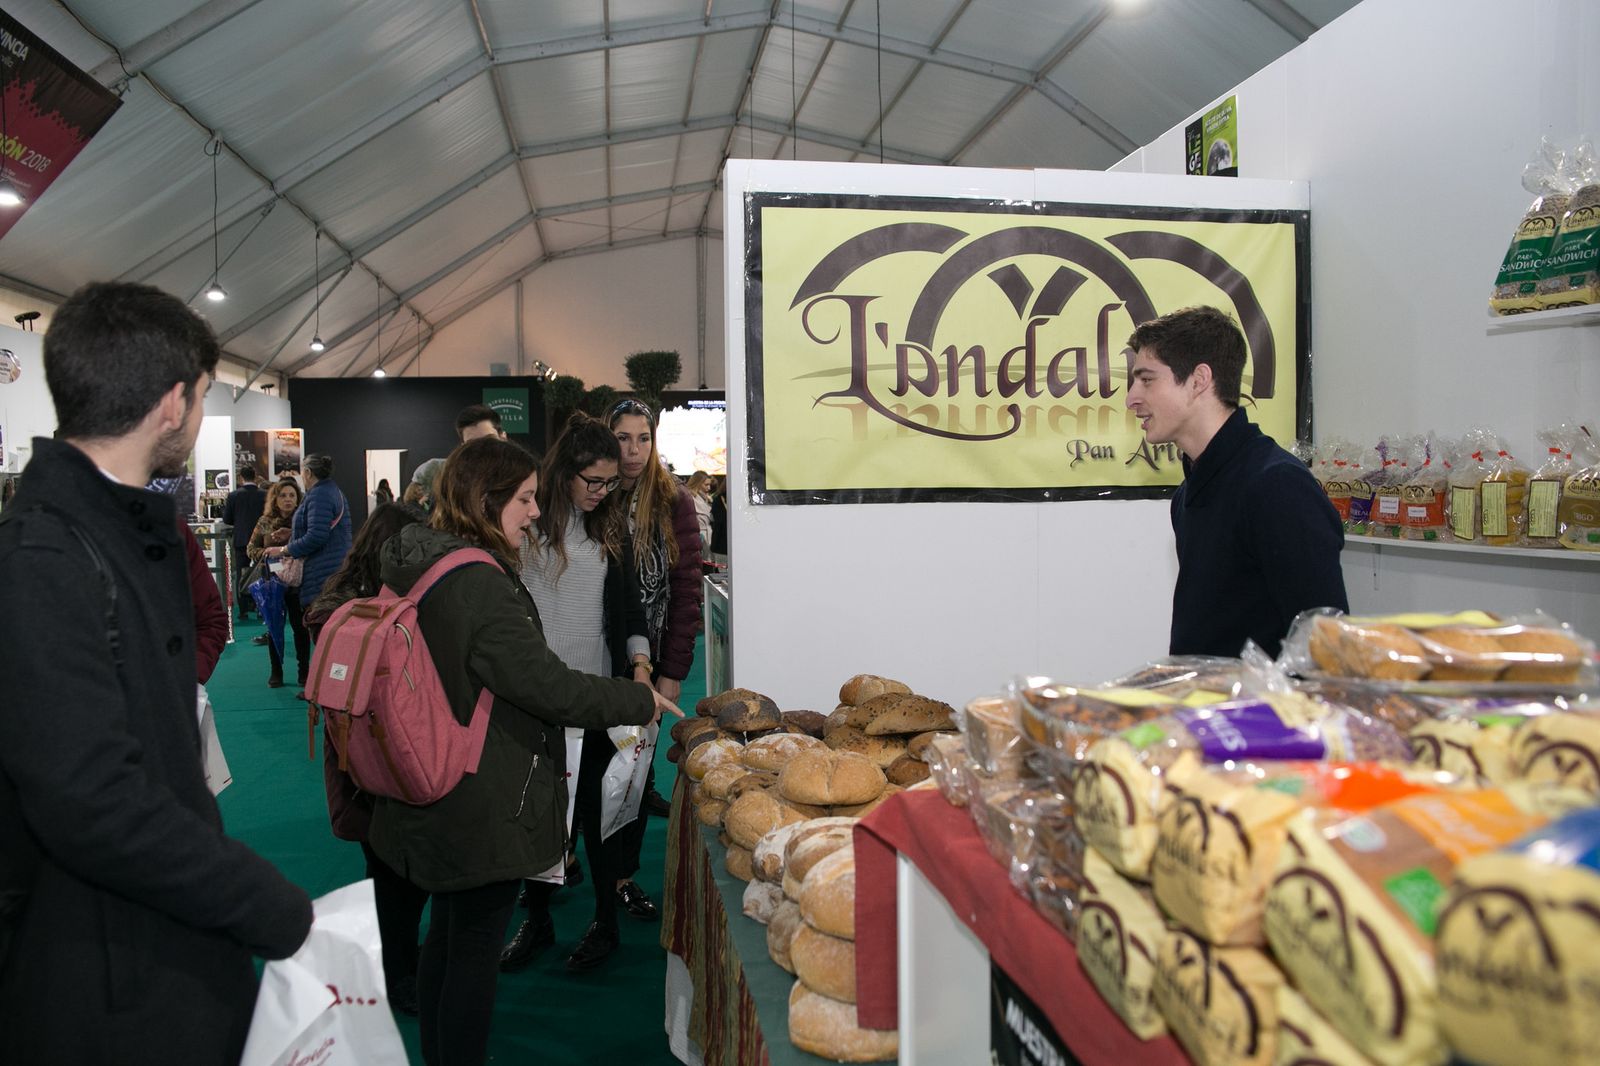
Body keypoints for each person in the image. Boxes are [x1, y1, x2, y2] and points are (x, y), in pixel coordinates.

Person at [0, 280, 312, 1065]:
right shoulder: (44, 557)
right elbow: (89, 799)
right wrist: (259, 899)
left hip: (156, 945)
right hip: (103, 978)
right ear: (174, 404)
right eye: (204, 394)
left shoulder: (116, 533)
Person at [364, 435, 681, 1066]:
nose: (536, 512)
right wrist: (634, 699)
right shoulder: (476, 581)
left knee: (449, 937)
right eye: (525, 499)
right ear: (487, 500)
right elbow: (546, 685)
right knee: (470, 949)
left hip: (431, 777)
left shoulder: (422, 557)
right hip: (476, 790)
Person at [502, 414, 651, 975]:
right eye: (593, 481)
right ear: (564, 472)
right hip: (536, 695)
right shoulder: (527, 525)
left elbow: (631, 609)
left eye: (611, 482)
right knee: (540, 815)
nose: (603, 491)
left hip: (595, 697)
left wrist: (641, 666)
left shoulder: (610, 528)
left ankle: (605, 923)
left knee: (599, 812)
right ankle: (538, 920)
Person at [1124, 305, 1348, 658]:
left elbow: (1327, 644)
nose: (1131, 398)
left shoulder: (1278, 486)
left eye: (1147, 380)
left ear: (1199, 380)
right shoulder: (1188, 494)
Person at [304, 502, 428, 1016]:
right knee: (393, 876)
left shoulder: (346, 604)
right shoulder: (357, 612)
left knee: (396, 873)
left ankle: (401, 963)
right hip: (374, 757)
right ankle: (398, 972)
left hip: (375, 756)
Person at [609, 398, 705, 833]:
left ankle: (641, 793)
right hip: (601, 647)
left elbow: (686, 587)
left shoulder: (673, 499)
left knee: (640, 745)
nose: (634, 451)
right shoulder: (594, 493)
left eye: (643, 439)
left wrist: (674, 669)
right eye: (623, 438)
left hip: (656, 645)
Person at [263, 453, 352, 696]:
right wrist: (292, 535)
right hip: (327, 572)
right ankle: (327, 686)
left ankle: (326, 688)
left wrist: (285, 549)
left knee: (323, 634)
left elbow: (317, 536)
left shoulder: (320, 495)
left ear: (308, 473)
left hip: (322, 575)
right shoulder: (328, 492)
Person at [248, 479, 312, 688]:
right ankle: (276, 672)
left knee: (300, 628)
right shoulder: (265, 522)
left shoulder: (303, 521)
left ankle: (304, 671)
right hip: (272, 582)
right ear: (275, 499)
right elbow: (251, 548)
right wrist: (267, 553)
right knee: (274, 626)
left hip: (297, 582)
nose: (288, 499)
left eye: (292, 495)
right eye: (283, 495)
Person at [407, 404, 509, 513]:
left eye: (489, 439)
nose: (482, 447)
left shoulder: (518, 476)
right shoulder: (438, 472)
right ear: (463, 446)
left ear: (503, 437)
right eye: (472, 443)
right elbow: (411, 508)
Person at [221, 464, 265, 618]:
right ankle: (261, 607)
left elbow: (227, 519)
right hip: (261, 540)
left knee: (241, 573)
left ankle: (243, 609)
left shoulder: (233, 496)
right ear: (255, 476)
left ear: (241, 478)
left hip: (241, 540)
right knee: (262, 572)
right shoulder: (264, 495)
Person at [685, 470, 713, 557]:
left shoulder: (707, 499)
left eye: (709, 485)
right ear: (698, 483)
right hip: (697, 539)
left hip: (708, 538)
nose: (709, 488)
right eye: (706, 485)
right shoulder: (690, 499)